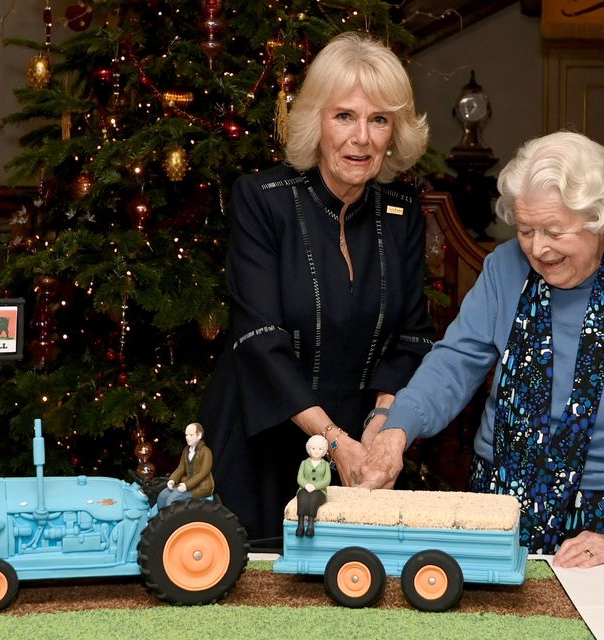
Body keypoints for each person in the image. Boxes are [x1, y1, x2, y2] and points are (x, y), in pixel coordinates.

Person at [361, 131, 604, 568]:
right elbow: (454, 363)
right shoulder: (504, 267)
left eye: (554, 231)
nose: (538, 248)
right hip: (498, 500)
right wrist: (397, 431)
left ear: (600, 218)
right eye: (525, 229)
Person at [200, 31, 434, 546]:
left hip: (361, 454)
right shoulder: (263, 200)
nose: (362, 137)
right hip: (262, 442)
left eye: (379, 120)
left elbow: (412, 337)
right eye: (344, 116)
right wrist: (333, 442)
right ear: (316, 121)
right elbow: (260, 340)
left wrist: (378, 427)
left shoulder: (402, 213)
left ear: (395, 132)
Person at [156, 422, 215, 510]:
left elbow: (203, 473)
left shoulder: (206, 452)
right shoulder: (186, 450)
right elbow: (181, 468)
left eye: (191, 435)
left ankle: (170, 522)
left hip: (201, 486)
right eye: (186, 435)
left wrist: (186, 485)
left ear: (199, 435)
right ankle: (160, 520)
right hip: (186, 484)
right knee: (163, 495)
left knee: (171, 500)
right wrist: (172, 480)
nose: (187, 438)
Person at [295, 435, 331, 538]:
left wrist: (315, 486)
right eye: (313, 448)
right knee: (302, 497)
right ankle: (300, 525)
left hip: (320, 491)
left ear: (324, 450)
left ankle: (311, 526)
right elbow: (300, 478)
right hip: (304, 488)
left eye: (319, 449)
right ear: (309, 449)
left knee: (313, 498)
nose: (316, 451)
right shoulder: (304, 463)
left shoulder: (325, 465)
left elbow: (327, 480)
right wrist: (306, 485)